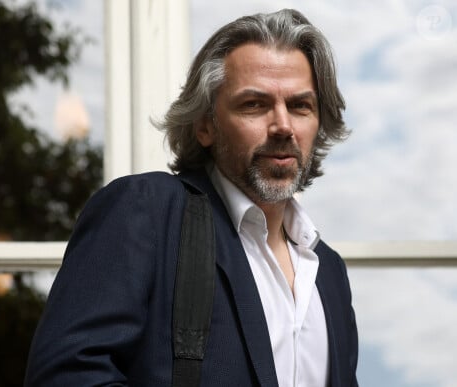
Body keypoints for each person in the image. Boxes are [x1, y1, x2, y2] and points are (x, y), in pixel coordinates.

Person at [25, 8, 358, 387]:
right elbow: (66, 377)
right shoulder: (145, 211)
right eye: (254, 104)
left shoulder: (328, 271)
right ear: (204, 126)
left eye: (300, 106)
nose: (283, 125)